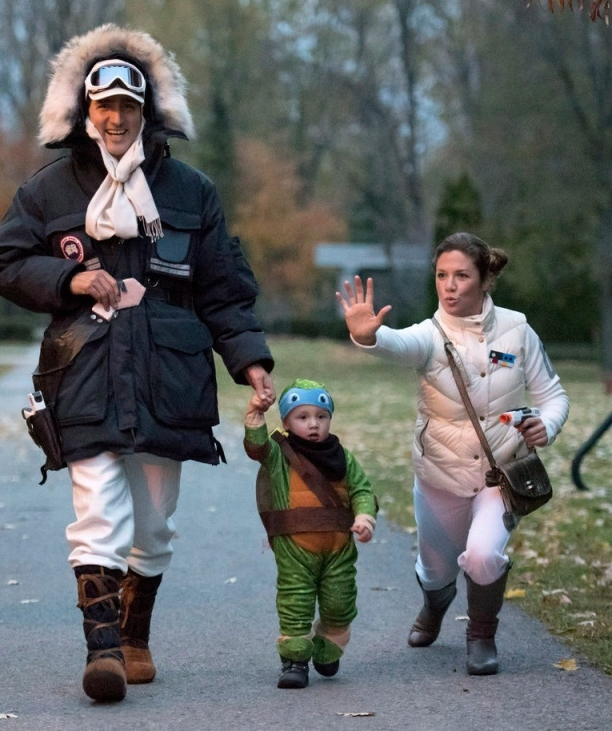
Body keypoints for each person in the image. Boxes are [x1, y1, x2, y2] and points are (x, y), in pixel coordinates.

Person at [0, 24, 275, 703]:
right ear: (84, 112)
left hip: (168, 376)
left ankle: (136, 631)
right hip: (82, 371)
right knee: (97, 511)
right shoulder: (49, 189)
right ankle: (104, 650)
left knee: (154, 522)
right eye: (103, 105)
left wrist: (250, 360)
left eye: (128, 106)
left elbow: (223, 287)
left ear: (148, 112)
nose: (115, 118)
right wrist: (70, 280)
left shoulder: (192, 190)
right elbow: (4, 263)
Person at [336, 232, 569, 676]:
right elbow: (398, 344)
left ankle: (481, 636)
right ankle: (434, 604)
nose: (450, 285)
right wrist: (369, 336)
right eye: (442, 275)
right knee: (435, 569)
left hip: (500, 475)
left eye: (462, 275)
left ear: (484, 279)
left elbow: (553, 395)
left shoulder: (518, 330)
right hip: (440, 478)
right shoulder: (430, 334)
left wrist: (548, 423)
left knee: (483, 555)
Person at [244, 379, 377, 689]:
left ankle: (329, 643)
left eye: (321, 416)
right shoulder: (280, 453)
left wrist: (364, 517)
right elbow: (257, 447)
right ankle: (295, 660)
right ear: (287, 422)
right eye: (302, 417)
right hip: (295, 548)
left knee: (339, 602)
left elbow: (361, 489)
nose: (313, 424)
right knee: (295, 601)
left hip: (339, 548)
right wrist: (254, 415)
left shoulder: (342, 456)